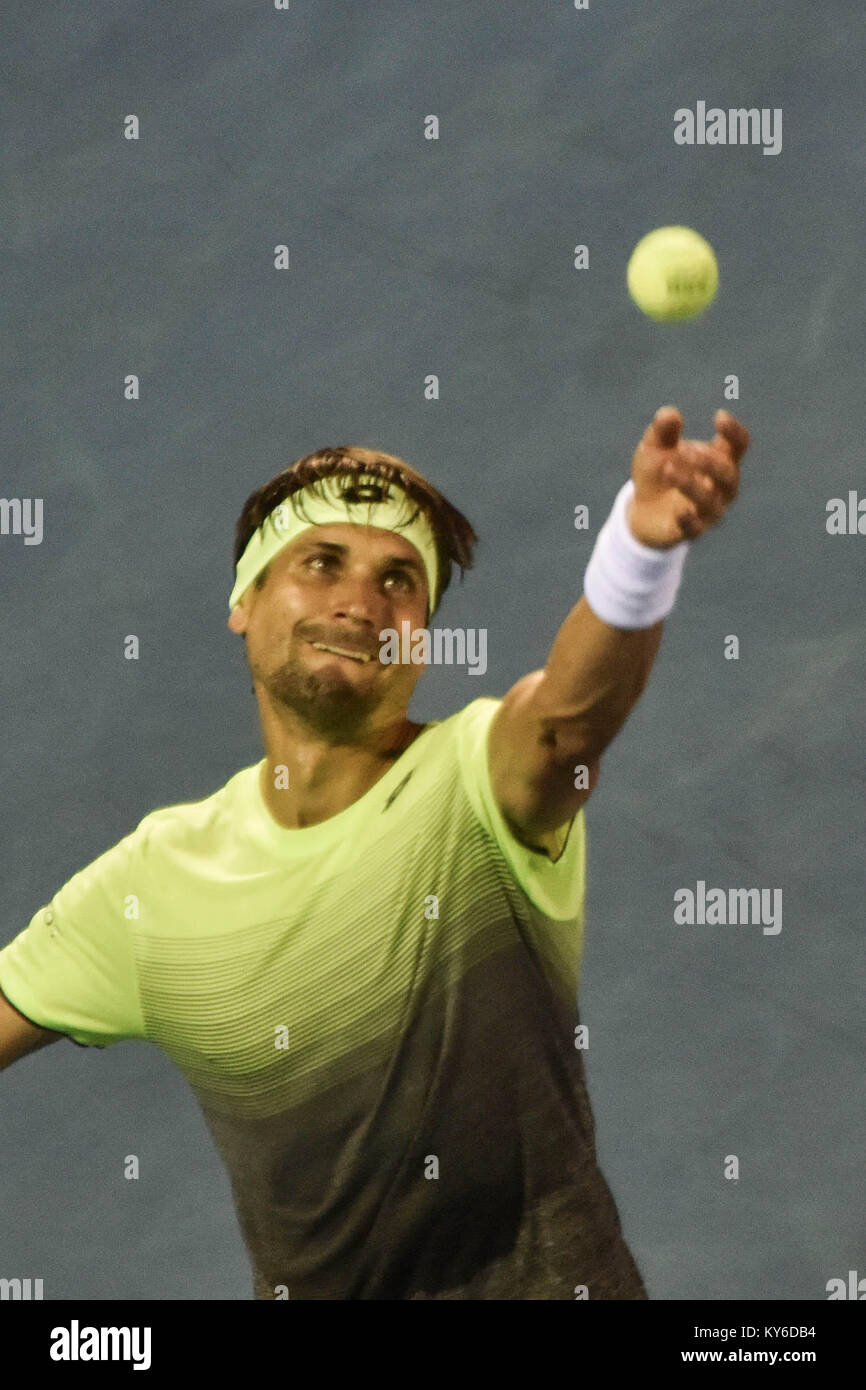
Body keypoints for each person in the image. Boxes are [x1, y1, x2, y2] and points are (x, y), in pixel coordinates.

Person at [0, 405, 750, 1299]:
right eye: (322, 564)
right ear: (245, 602)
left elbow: (565, 724)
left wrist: (639, 552)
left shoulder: (477, 781)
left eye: (400, 582)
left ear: (422, 638)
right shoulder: (152, 883)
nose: (361, 602)